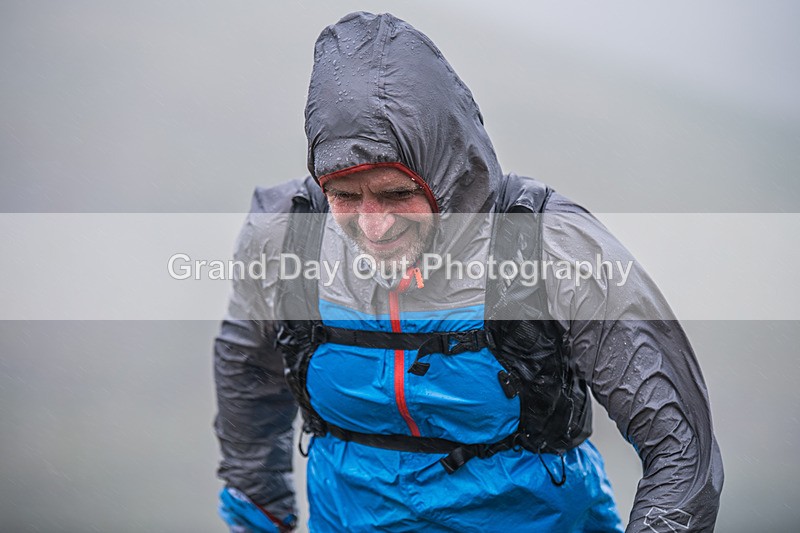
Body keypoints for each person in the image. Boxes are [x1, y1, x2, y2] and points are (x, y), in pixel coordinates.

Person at [214, 12, 723, 532]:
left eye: (397, 194)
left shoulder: (551, 246)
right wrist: (259, 515)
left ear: (447, 176)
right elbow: (246, 375)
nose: (374, 224)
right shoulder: (285, 237)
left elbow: (680, 451)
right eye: (345, 196)